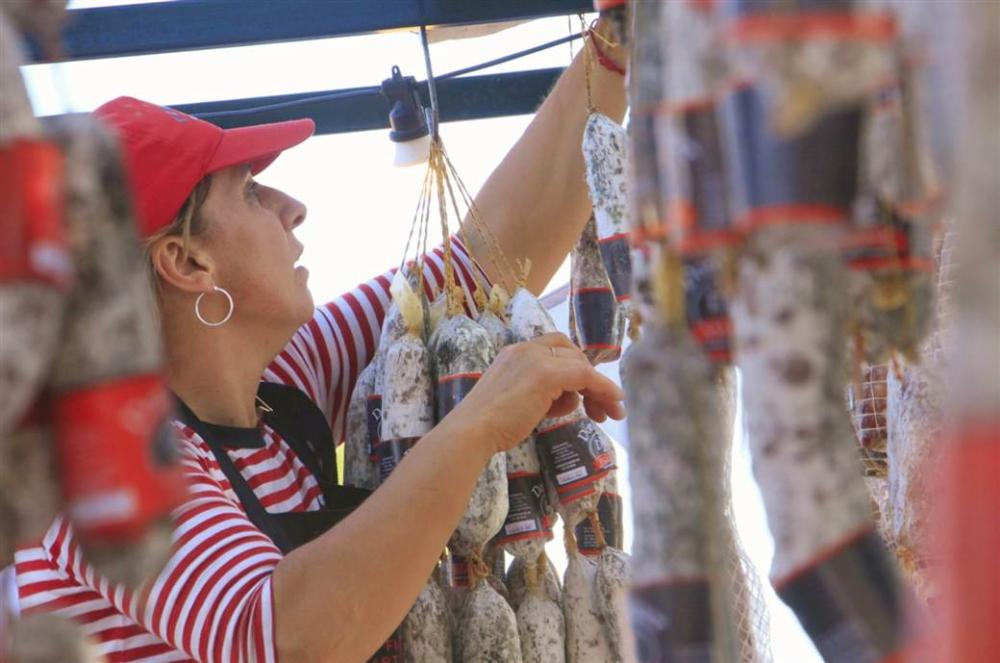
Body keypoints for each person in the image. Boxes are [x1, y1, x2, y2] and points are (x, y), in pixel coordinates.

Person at [9, 26, 628, 663]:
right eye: (249, 191)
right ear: (186, 262)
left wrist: (613, 50)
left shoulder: (280, 386)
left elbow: (485, 263)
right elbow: (285, 637)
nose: (292, 207)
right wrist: (478, 425)